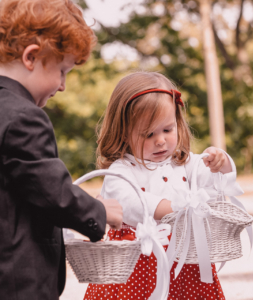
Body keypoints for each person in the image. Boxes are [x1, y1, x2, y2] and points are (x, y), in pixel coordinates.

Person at [0, 1, 123, 299]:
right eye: (62, 70)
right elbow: (53, 192)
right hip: (19, 281)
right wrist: (100, 211)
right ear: (31, 57)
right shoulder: (25, 118)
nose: (63, 85)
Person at [83, 71, 241, 300]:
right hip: (138, 262)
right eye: (148, 134)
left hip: (185, 261)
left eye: (167, 129)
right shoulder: (121, 170)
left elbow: (213, 185)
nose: (160, 140)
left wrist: (220, 162)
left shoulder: (184, 162)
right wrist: (172, 208)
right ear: (124, 134)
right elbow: (128, 203)